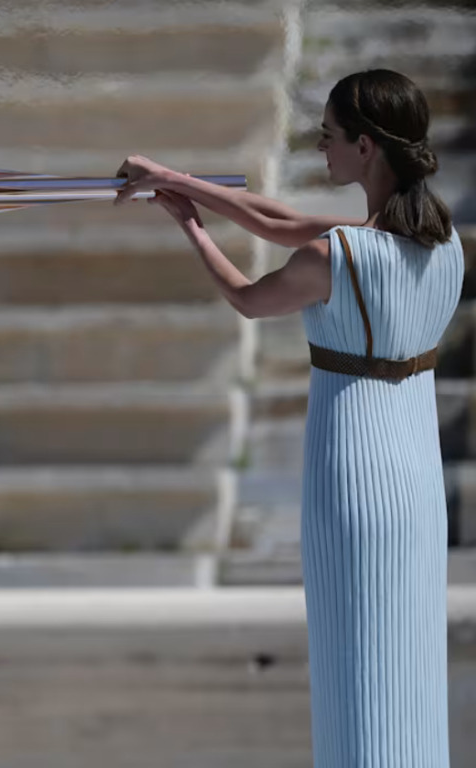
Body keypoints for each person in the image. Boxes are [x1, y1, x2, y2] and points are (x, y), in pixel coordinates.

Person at [115, 68, 462, 766]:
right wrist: (179, 179)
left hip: (354, 477)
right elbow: (277, 219)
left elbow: (248, 296)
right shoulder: (439, 243)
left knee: (355, 667)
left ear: (366, 147)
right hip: (417, 479)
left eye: (329, 136)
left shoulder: (336, 256)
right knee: (408, 669)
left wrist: (189, 225)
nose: (320, 147)